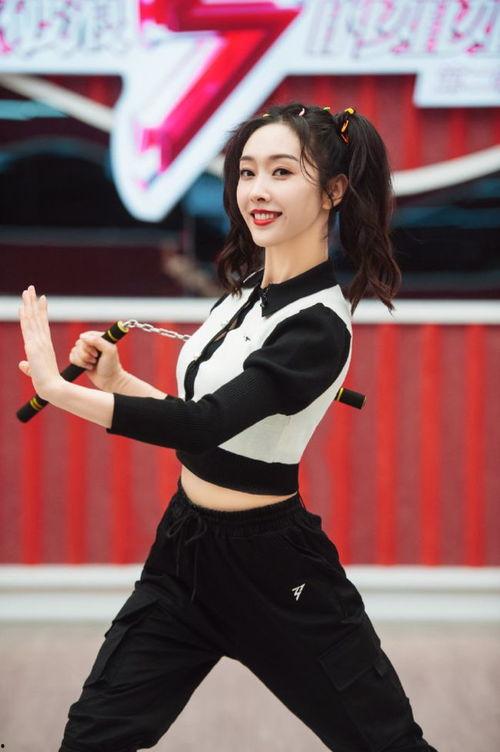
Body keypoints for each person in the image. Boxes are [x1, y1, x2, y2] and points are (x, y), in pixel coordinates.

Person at [18, 102, 438, 752]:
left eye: (282, 172)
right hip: (185, 551)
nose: (257, 190)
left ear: (333, 191)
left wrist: (58, 392)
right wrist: (117, 383)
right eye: (247, 172)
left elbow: (206, 423)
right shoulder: (243, 293)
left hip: (276, 570)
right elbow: (208, 429)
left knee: (384, 743)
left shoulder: (318, 326)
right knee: (94, 736)